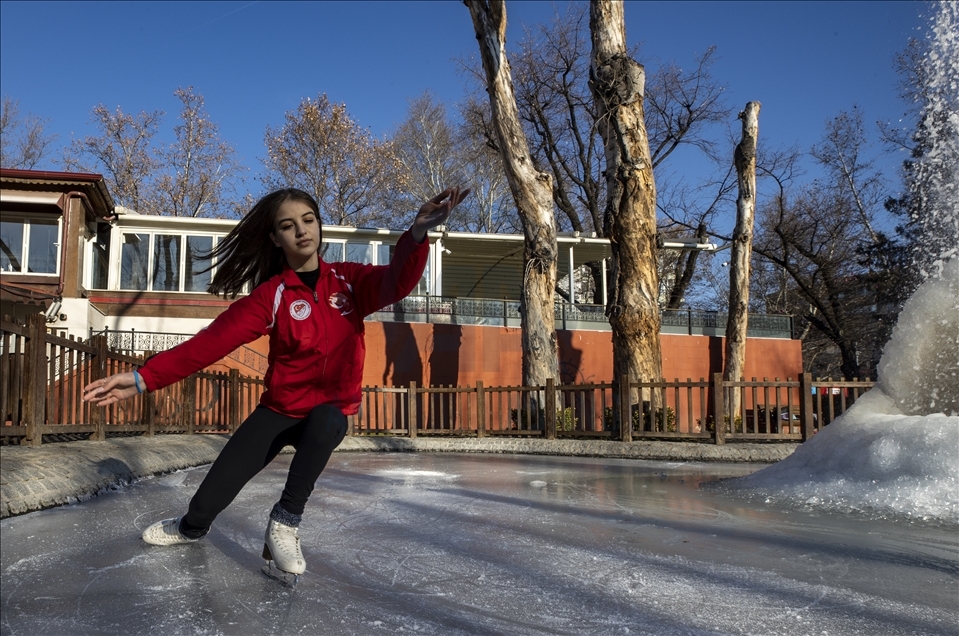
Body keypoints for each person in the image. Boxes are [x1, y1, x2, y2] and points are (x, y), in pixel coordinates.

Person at [82, 186, 469, 585]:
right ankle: (191, 528)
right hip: (279, 411)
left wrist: (418, 234)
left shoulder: (349, 282)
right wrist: (145, 378)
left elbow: (396, 283)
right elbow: (211, 343)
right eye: (288, 225)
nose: (302, 231)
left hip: (325, 415)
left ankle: (285, 521)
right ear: (275, 238)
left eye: (308, 220)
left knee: (330, 419)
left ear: (319, 225)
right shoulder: (272, 296)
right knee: (208, 501)